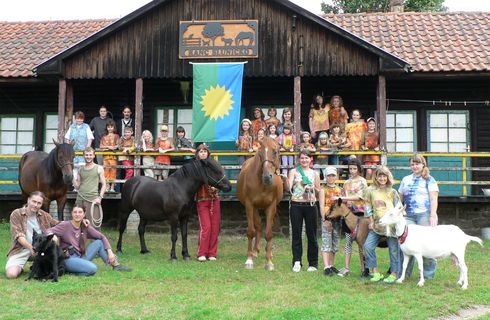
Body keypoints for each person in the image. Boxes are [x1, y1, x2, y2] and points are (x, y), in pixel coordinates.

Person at [47, 205, 131, 275]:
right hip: (69, 258)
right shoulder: (65, 225)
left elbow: (102, 237)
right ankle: (72, 271)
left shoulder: (85, 226)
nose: (77, 214)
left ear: (84, 214)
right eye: (75, 212)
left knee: (99, 242)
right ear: (71, 214)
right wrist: (52, 236)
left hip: (81, 256)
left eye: (80, 212)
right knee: (93, 268)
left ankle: (115, 265)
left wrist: (110, 252)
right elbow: (48, 231)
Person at [398, 154, 439, 279]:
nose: (415, 166)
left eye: (417, 164)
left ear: (423, 165)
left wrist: (432, 215)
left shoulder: (429, 179)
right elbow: (400, 198)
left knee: (426, 244)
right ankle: (404, 274)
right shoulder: (405, 179)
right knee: (406, 244)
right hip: (408, 216)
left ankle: (428, 274)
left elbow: (433, 199)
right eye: (412, 164)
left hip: (424, 215)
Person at [5, 191, 59, 279]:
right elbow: (19, 236)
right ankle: (20, 267)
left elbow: (59, 224)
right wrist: (31, 248)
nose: (36, 205)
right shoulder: (16, 214)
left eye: (39, 203)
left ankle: (41, 267)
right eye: (34, 201)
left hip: (41, 250)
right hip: (22, 249)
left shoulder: (44, 215)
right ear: (28, 200)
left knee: (55, 239)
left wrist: (80, 220)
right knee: (11, 274)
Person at [287, 150, 325, 272]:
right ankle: (297, 261)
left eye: (306, 158)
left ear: (310, 159)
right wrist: (292, 182)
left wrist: (311, 187)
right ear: (299, 159)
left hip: (311, 205)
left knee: (312, 235)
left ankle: (313, 263)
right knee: (296, 234)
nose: (304, 160)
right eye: (302, 158)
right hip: (296, 205)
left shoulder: (315, 173)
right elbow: (288, 188)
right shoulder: (293, 171)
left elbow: (319, 191)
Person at [363, 166, 401, 283]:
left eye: (384, 176)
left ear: (388, 177)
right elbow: (368, 207)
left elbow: (398, 208)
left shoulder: (392, 192)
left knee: (394, 250)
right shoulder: (370, 191)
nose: (382, 178)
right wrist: (371, 221)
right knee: (368, 247)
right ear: (376, 177)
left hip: (391, 227)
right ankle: (375, 272)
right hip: (377, 225)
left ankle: (394, 273)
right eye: (380, 176)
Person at [337, 157, 368, 277]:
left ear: (359, 169)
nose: (352, 171)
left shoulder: (363, 182)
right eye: (350, 168)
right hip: (348, 216)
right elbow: (343, 199)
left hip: (360, 215)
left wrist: (345, 199)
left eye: (354, 168)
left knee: (362, 244)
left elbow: (361, 197)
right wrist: (345, 202)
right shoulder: (346, 183)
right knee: (348, 241)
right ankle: (346, 268)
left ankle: (364, 268)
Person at [195, 144, 222, 262]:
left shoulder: (214, 166)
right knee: (206, 227)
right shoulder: (194, 167)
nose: (203, 153)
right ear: (197, 154)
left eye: (205, 151)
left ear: (208, 153)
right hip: (202, 200)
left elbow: (220, 180)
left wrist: (216, 188)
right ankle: (202, 253)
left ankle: (212, 253)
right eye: (200, 151)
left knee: (215, 227)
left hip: (214, 199)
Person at [74, 147, 107, 229]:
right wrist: (72, 178)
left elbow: (104, 184)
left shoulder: (99, 168)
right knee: (78, 225)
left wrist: (100, 197)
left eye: (90, 155)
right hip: (80, 199)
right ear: (84, 156)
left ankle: (96, 242)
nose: (88, 157)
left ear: (93, 156)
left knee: (93, 226)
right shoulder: (80, 169)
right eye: (86, 155)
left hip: (93, 199)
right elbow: (77, 186)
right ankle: (79, 241)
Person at [321, 166, 342, 276]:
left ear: (336, 176)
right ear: (325, 176)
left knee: (335, 243)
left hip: (337, 219)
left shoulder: (339, 190)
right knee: (326, 242)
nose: (331, 177)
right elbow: (321, 205)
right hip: (327, 218)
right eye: (329, 175)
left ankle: (331, 264)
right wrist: (324, 220)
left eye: (333, 175)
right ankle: (326, 266)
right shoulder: (323, 189)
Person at [65, 111, 94, 178]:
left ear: (83, 119)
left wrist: (87, 149)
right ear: (75, 118)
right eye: (78, 118)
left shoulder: (86, 126)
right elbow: (67, 138)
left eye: (81, 118)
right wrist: (68, 148)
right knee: (74, 170)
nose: (79, 120)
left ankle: (82, 186)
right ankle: (75, 187)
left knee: (82, 169)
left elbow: (90, 138)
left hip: (82, 152)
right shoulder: (72, 126)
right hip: (73, 152)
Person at [99, 119, 119, 192]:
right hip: (106, 157)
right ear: (106, 128)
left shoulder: (116, 136)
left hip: (113, 157)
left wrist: (113, 147)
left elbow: (118, 145)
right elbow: (101, 146)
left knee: (113, 171)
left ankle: (112, 187)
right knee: (106, 171)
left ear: (114, 128)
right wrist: (109, 147)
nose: (110, 128)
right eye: (108, 127)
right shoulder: (104, 137)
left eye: (111, 127)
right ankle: (107, 186)